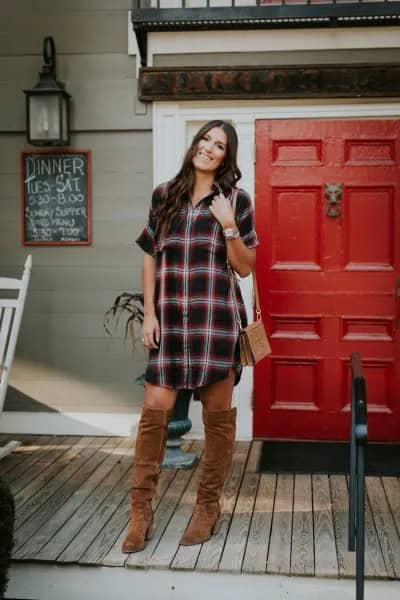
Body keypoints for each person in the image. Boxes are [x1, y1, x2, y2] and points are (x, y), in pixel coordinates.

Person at [122, 120, 259, 553]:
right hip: (172, 325)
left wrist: (228, 225)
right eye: (205, 139)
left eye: (219, 145)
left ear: (225, 157)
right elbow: (150, 257)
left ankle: (206, 507)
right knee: (153, 414)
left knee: (217, 420)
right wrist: (150, 315)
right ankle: (140, 513)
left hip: (216, 322)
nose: (209, 148)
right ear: (195, 144)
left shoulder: (236, 200)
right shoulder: (164, 194)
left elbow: (245, 267)